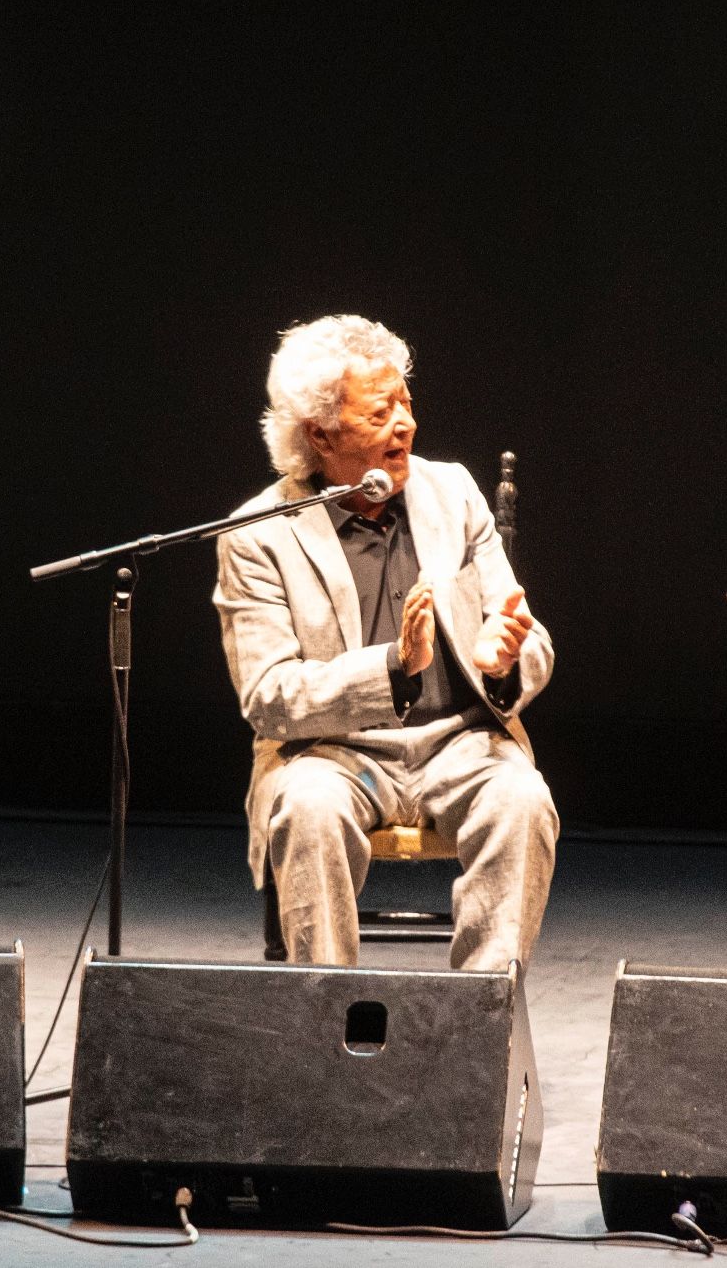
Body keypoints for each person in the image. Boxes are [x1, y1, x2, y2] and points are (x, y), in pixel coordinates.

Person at [214, 315, 558, 971]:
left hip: (461, 743)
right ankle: (331, 1036)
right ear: (320, 432)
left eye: (406, 402)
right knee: (307, 809)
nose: (406, 424)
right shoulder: (258, 534)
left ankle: (478, 1029)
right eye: (381, 412)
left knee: (522, 801)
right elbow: (268, 698)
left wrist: (505, 666)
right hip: (332, 752)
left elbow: (524, 635)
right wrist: (394, 666)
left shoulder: (451, 491)